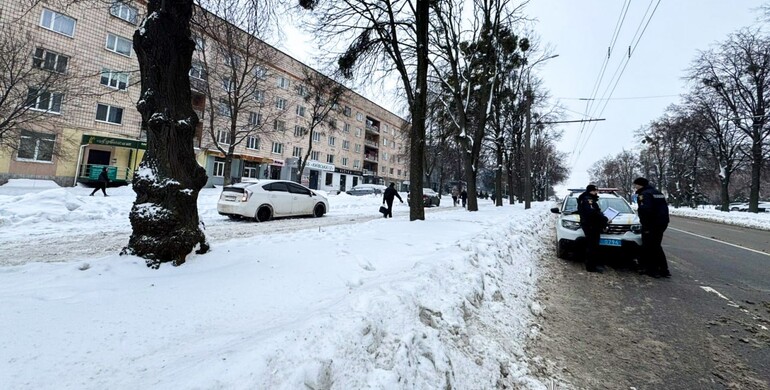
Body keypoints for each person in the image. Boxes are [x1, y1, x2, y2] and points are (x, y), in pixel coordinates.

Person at [633, 177, 671, 278]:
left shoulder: (644, 194)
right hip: (662, 223)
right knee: (656, 246)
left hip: (651, 224)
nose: (635, 187)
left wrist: (645, 224)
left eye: (636, 185)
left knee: (649, 247)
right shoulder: (658, 193)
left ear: (640, 185)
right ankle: (664, 270)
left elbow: (645, 210)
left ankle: (652, 270)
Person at [577, 184, 608, 273]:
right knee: (592, 245)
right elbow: (592, 213)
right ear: (590, 191)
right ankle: (591, 266)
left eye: (596, 191)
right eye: (594, 191)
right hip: (591, 225)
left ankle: (594, 264)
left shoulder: (586, 198)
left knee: (593, 245)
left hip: (591, 224)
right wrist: (603, 218)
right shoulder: (588, 199)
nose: (596, 192)